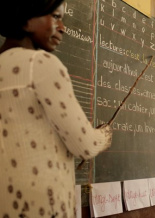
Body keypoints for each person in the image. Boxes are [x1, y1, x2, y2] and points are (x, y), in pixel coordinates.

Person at [0, 0, 112, 217]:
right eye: (56, 17)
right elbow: (85, 145)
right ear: (27, 18)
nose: (62, 27)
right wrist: (104, 135)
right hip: (43, 207)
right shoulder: (40, 64)